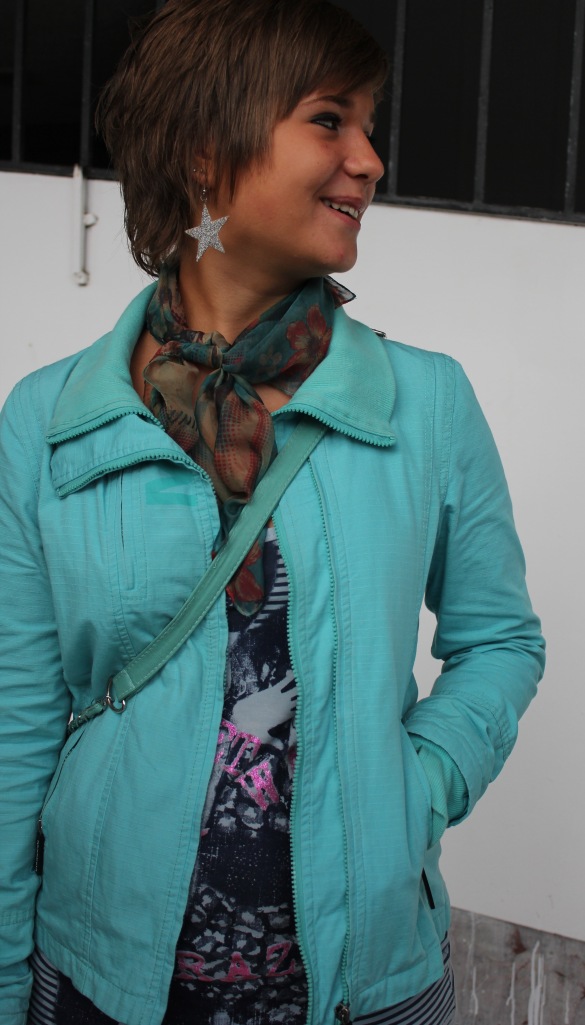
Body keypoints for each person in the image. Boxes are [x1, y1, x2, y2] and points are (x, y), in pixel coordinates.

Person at [0, 1, 545, 1024]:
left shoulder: (427, 402)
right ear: (205, 152)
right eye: (329, 120)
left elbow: (500, 640)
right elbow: (13, 723)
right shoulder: (49, 420)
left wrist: (418, 785)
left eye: (369, 126)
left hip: (368, 988)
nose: (370, 161)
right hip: (101, 983)